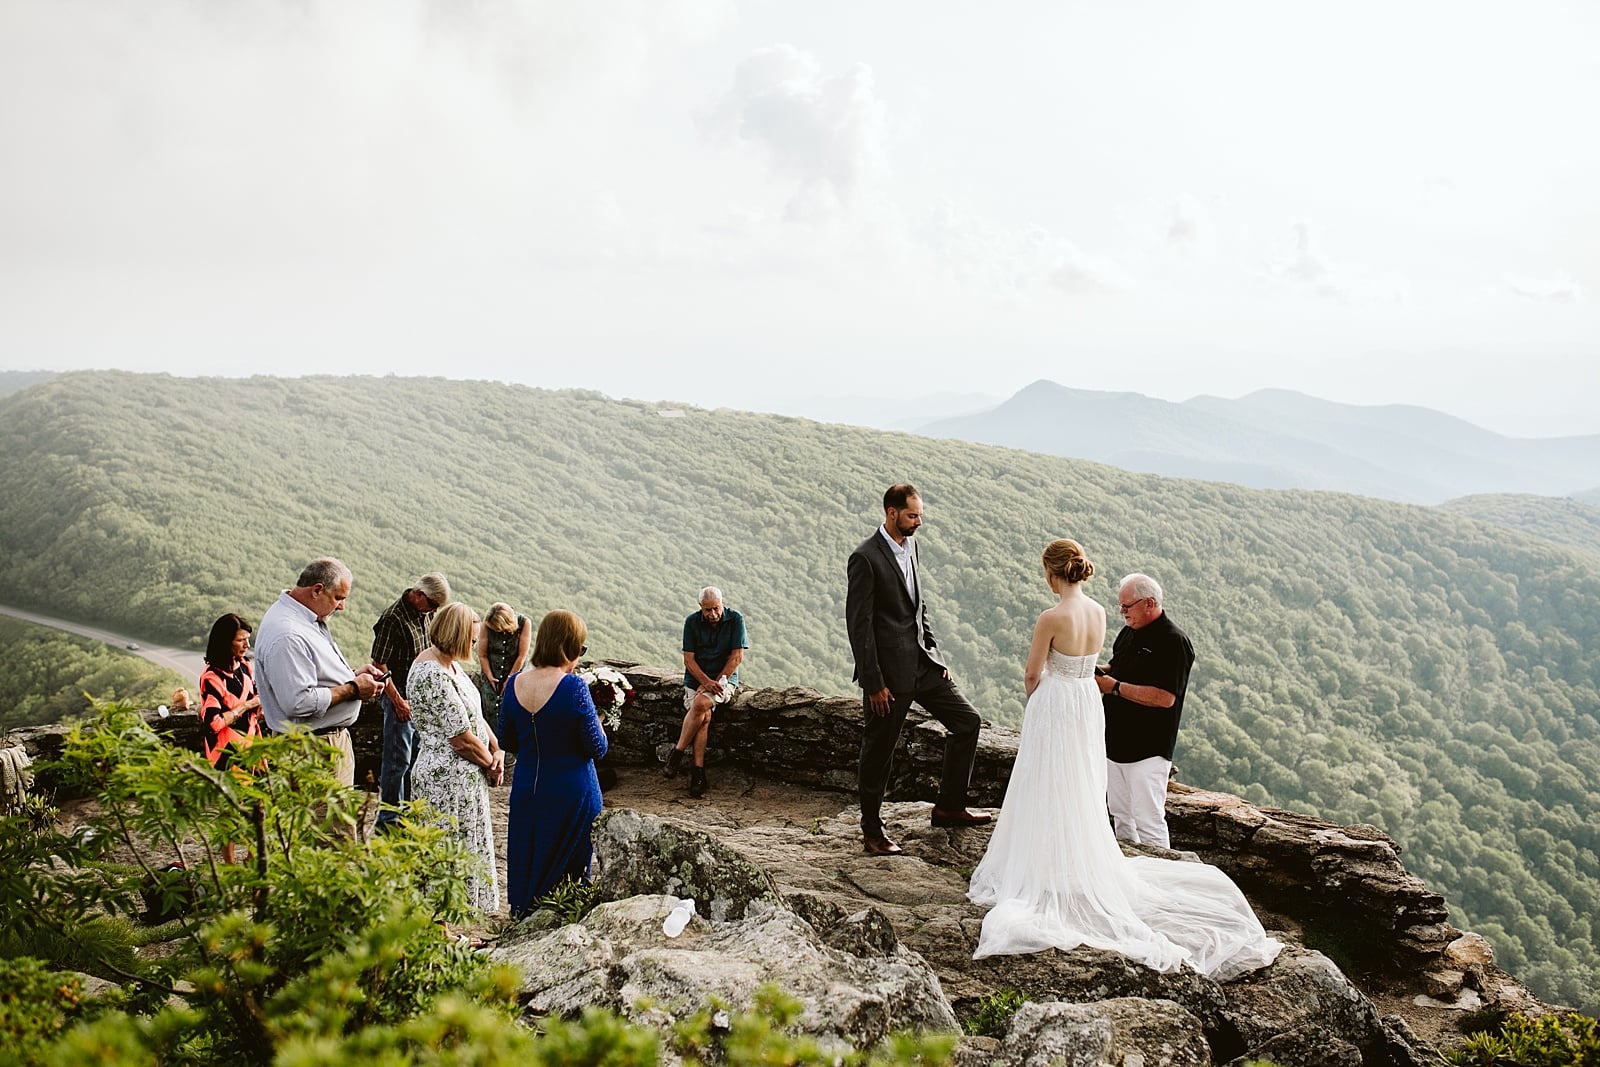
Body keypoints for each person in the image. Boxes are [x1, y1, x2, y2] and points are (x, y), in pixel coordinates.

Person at [967, 540, 1281, 977]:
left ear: (1050, 572)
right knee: (1081, 785)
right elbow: (1097, 666)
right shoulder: (1098, 613)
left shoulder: (1051, 618)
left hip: (1059, 703)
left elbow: (1032, 673)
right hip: (1086, 706)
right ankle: (1074, 861)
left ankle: (1044, 864)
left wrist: (1037, 701)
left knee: (1047, 782)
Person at [846, 483, 989, 858]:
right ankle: (872, 832)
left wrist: (935, 655)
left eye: (920, 514)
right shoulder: (865, 558)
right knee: (879, 751)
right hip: (888, 679)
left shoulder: (911, 547)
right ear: (891, 513)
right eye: (913, 516)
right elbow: (859, 627)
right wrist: (873, 682)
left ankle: (949, 807)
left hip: (924, 666)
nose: (919, 522)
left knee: (968, 722)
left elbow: (917, 610)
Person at [501, 610, 607, 916]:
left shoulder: (514, 684)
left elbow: (506, 740)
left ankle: (525, 917)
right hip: (571, 791)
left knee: (529, 855)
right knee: (571, 870)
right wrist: (599, 720)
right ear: (570, 646)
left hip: (526, 788)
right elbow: (597, 747)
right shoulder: (574, 688)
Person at [255, 558, 386, 788]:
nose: (342, 606)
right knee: (328, 822)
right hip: (314, 751)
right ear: (317, 590)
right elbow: (298, 701)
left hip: (324, 743)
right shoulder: (288, 633)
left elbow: (311, 677)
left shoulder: (307, 620)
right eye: (339, 598)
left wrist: (353, 676)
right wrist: (353, 689)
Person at [406, 602, 502, 916]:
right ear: (458, 636)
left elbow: (472, 713)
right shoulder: (431, 673)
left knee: (459, 852)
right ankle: (440, 929)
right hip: (444, 781)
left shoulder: (450, 666)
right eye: (472, 640)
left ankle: (451, 928)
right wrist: (490, 763)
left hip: (463, 778)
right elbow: (460, 738)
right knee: (445, 855)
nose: (475, 646)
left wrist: (495, 747)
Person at [1095, 572, 1194, 849]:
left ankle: (1164, 881)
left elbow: (1165, 697)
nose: (1122, 612)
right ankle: (1131, 875)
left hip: (1149, 749)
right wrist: (1093, 671)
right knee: (1120, 817)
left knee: (1148, 821)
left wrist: (1113, 687)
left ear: (1149, 603)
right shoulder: (1128, 632)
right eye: (1121, 606)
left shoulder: (1174, 641)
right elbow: (1119, 667)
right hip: (1114, 744)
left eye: (1128, 606)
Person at [371, 574, 452, 833]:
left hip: (418, 696)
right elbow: (379, 663)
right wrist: (398, 701)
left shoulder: (424, 613)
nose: (433, 611)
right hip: (400, 695)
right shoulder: (393, 618)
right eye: (431, 604)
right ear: (418, 594)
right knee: (398, 759)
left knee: (417, 756)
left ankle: (409, 814)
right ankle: (388, 821)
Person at [663, 586, 748, 798]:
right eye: (707, 610)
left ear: (722, 603)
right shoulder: (692, 622)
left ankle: (677, 752)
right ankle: (698, 773)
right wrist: (704, 681)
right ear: (700, 607)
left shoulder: (736, 619)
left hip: (724, 680)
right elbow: (689, 659)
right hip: (697, 679)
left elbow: (736, 657)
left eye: (716, 609)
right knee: (705, 716)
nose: (712, 614)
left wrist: (714, 682)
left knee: (700, 704)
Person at [198, 613, 263, 865]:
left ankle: (252, 857)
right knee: (232, 810)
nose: (246, 645)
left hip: (251, 744)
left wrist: (257, 707)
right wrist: (245, 706)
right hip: (227, 752)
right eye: (240, 640)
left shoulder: (245, 666)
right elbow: (212, 722)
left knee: (259, 803)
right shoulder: (211, 677)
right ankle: (229, 863)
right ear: (226, 642)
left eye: (247, 639)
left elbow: (256, 697)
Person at [475, 602, 530, 730]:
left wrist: (510, 678)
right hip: (490, 672)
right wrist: (489, 676)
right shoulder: (487, 624)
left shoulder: (524, 623)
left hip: (516, 673)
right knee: (489, 710)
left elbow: (522, 656)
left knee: (511, 708)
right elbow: (482, 654)